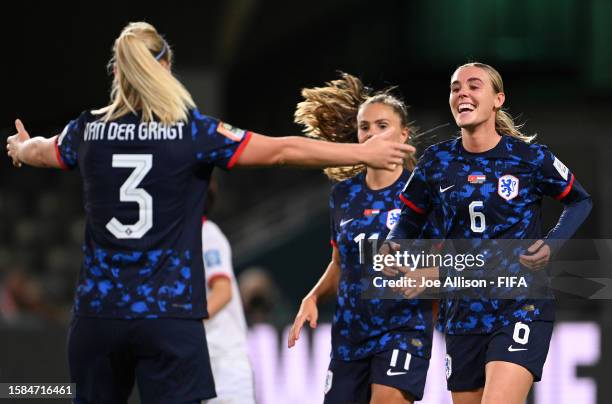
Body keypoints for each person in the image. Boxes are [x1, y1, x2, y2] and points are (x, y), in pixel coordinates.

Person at [5, 22, 415, 404]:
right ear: (164, 67)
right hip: (167, 317)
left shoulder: (87, 129)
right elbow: (281, 150)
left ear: (117, 72)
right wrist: (361, 152)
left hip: (97, 316)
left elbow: (42, 150)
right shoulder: (192, 131)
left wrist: (20, 148)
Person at [382, 62, 592, 404]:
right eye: (455, 87)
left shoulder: (529, 158)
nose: (462, 92)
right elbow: (408, 218)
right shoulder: (436, 162)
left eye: (473, 85)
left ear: (498, 99)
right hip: (463, 313)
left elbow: (580, 201)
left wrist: (552, 243)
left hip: (520, 303)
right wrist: (392, 243)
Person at [288, 73, 433, 404]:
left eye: (382, 125)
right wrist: (312, 297)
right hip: (350, 336)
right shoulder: (343, 195)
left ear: (403, 133)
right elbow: (340, 264)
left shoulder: (423, 192)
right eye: (365, 127)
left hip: (402, 330)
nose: (371, 134)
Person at [201, 179, 255, 404]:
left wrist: (182, 324)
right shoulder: (177, 241)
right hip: (201, 364)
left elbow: (223, 292)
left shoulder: (205, 233)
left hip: (224, 367)